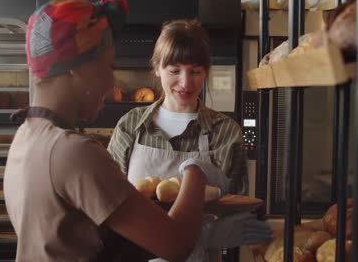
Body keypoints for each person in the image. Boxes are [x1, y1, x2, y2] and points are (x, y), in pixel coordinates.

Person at [3, 0, 214, 261]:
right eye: (109, 66)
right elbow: (175, 244)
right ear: (77, 68)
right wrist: (195, 174)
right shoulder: (73, 152)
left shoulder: (26, 137)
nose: (111, 80)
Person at [107, 19, 272, 261]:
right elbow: (109, 204)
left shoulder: (225, 133)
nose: (185, 82)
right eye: (174, 71)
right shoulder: (131, 125)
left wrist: (205, 236)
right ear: (156, 68)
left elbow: (237, 213)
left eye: (195, 71)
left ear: (206, 71)